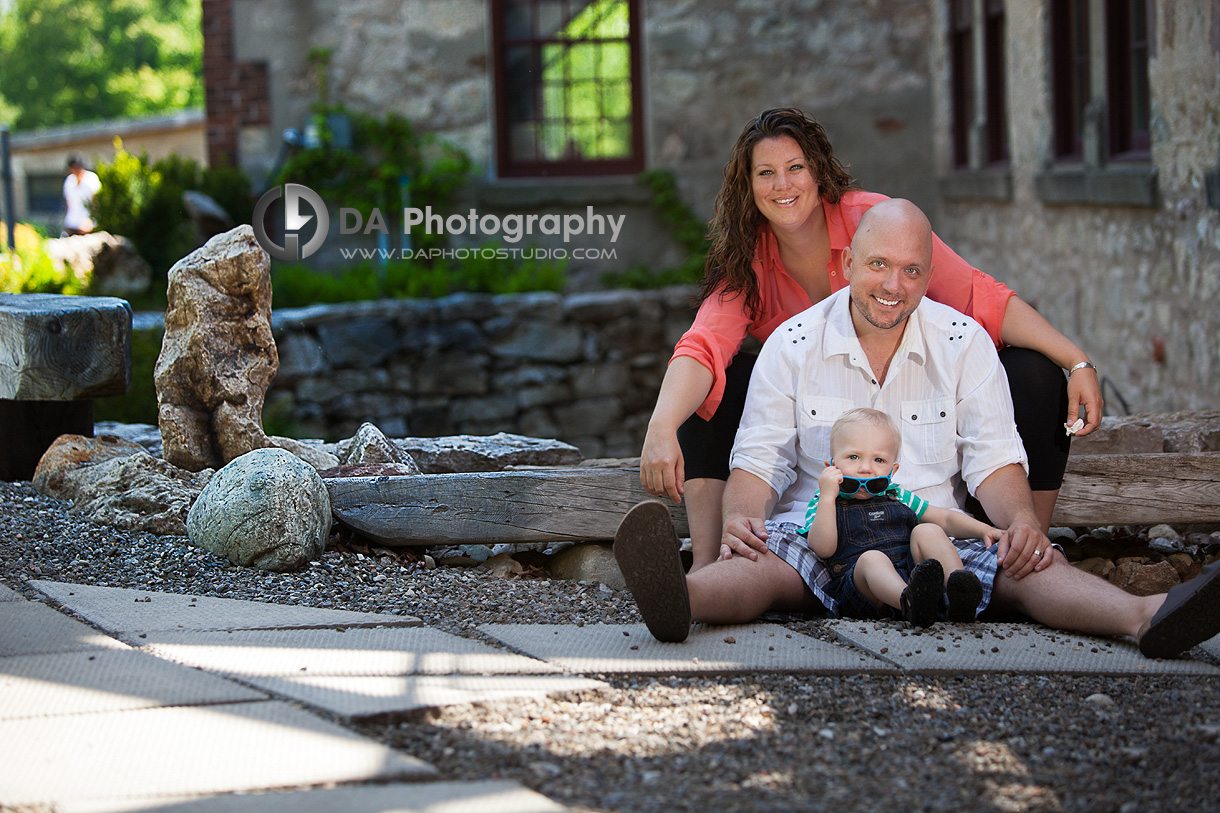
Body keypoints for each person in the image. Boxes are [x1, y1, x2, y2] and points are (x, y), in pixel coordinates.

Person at [615, 198, 1220, 659]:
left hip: (934, 542)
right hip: (820, 539)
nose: (892, 286)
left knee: (1031, 565)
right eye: (878, 264)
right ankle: (681, 598)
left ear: (929, 276)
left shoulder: (963, 342)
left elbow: (992, 459)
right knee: (758, 560)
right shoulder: (792, 344)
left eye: (911, 271)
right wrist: (743, 515)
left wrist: (1023, 524)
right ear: (848, 262)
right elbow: (760, 459)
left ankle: (1148, 616)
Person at [639, 108, 1102, 573]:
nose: (783, 184)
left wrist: (1077, 361)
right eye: (766, 173)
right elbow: (702, 346)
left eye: (795, 167)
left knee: (1037, 374)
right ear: (749, 185)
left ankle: (1027, 551)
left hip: (907, 420)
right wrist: (661, 427)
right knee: (719, 383)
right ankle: (708, 564)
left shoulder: (874, 222)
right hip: (819, 430)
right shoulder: (746, 261)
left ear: (818, 172)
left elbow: (979, 296)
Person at [804, 408, 997, 628]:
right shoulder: (825, 500)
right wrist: (828, 497)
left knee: (929, 530)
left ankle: (958, 591)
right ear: (832, 465)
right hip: (864, 591)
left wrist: (984, 530)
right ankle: (909, 603)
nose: (866, 468)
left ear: (892, 470)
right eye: (853, 457)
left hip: (915, 578)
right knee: (871, 558)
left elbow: (945, 519)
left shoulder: (897, 494)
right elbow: (822, 548)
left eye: (879, 459)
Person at [63, 155, 101, 236]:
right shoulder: (69, 181)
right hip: (71, 223)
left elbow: (96, 202)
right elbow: (68, 203)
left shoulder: (91, 179)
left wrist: (91, 220)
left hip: (87, 225)